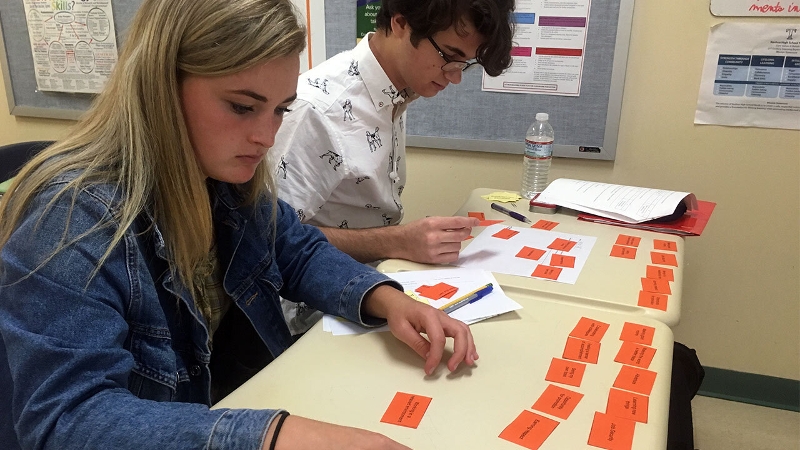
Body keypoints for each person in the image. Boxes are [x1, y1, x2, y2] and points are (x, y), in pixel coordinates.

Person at [0, 0, 478, 449]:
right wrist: (272, 436)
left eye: (280, 110)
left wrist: (385, 299)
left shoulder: (222, 178)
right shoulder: (67, 218)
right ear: (161, 85)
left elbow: (295, 248)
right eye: (243, 107)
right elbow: (69, 418)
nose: (266, 136)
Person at [268, 0, 515, 334]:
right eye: (449, 56)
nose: (455, 77)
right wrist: (398, 241)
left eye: (465, 63)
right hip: (313, 317)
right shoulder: (316, 112)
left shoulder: (399, 89)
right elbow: (271, 240)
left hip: (377, 283)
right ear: (401, 24)